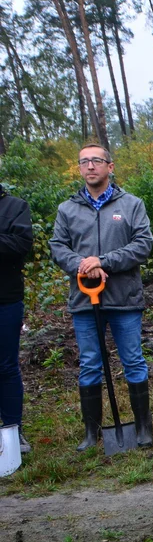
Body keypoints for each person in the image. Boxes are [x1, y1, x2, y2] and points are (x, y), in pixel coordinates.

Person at [49, 143, 153, 451]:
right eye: (84, 162)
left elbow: (142, 245)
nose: (90, 166)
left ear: (110, 166)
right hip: (84, 300)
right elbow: (58, 246)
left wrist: (103, 260)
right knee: (90, 363)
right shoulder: (67, 209)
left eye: (96, 160)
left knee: (133, 360)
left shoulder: (132, 205)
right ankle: (91, 432)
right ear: (80, 168)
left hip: (124, 298)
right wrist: (82, 264)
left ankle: (143, 428)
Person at [0, 185, 32, 453]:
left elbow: (21, 244)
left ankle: (13, 432)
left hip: (5, 299)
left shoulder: (14, 206)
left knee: (6, 366)